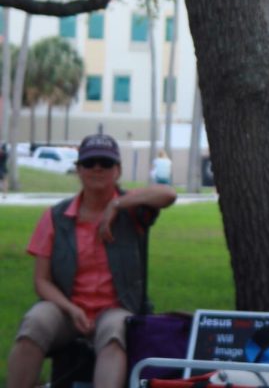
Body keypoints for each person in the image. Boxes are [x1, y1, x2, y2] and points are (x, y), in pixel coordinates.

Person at [7, 133, 177, 388]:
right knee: (34, 324)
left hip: (115, 308)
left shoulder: (132, 212)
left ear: (118, 170)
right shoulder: (56, 216)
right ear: (78, 170)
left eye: (106, 163)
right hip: (67, 309)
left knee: (114, 333)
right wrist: (71, 309)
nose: (97, 168)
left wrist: (117, 204)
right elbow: (41, 281)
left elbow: (168, 194)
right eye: (89, 163)